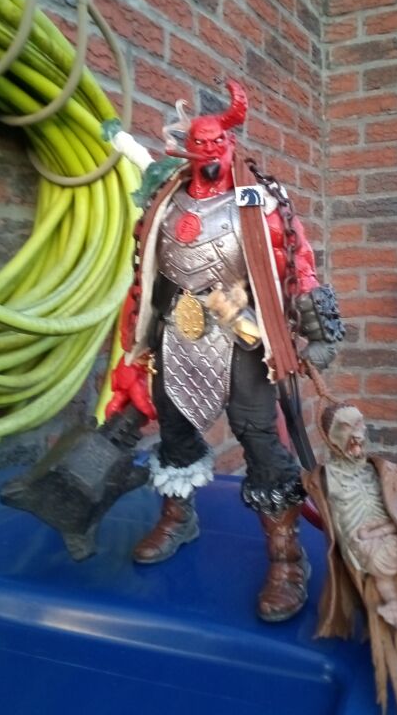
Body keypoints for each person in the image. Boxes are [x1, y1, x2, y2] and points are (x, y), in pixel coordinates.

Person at [103, 80, 344, 622]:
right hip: (175, 326)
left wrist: (320, 330)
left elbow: (298, 262)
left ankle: (286, 555)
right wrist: (136, 342)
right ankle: (178, 516)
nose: (210, 154)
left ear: (229, 144)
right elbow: (145, 274)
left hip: (241, 327)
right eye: (201, 146)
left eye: (217, 144)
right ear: (188, 149)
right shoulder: (165, 199)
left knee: (258, 434)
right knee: (174, 427)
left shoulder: (259, 199)